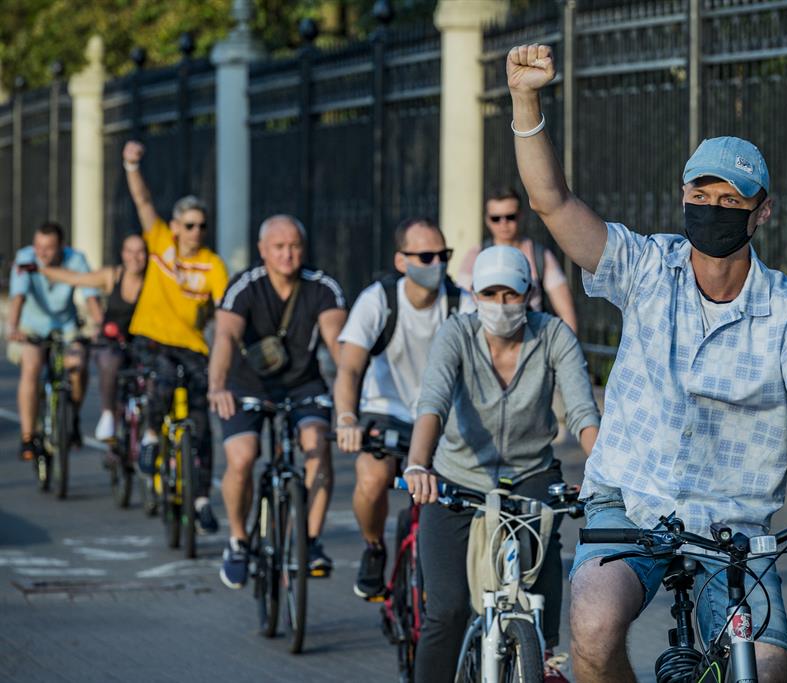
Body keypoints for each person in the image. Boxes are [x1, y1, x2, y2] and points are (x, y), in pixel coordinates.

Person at [503, 44, 787, 683]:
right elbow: (553, 204)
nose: (711, 206)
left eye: (730, 198)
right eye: (699, 191)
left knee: (764, 669)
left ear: (762, 211)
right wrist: (525, 101)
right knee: (593, 626)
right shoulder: (647, 267)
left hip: (732, 524)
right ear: (683, 194)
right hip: (630, 498)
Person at [404, 245, 601, 683]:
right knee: (448, 607)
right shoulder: (455, 334)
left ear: (529, 294)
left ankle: (543, 654)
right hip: (456, 479)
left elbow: (583, 413)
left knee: (544, 554)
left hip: (531, 472)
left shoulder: (552, 336)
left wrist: (604, 476)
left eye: (510, 294)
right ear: (473, 295)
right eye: (488, 294)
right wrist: (419, 465)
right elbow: (432, 404)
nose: (500, 304)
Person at [334, 217, 472, 599]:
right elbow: (348, 368)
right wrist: (346, 419)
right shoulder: (378, 300)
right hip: (386, 410)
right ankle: (374, 545)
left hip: (443, 418)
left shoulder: (462, 302)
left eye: (443, 256)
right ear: (401, 262)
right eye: (425, 257)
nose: (437, 265)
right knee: (372, 479)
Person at [208, 215, 347, 588]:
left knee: (316, 446)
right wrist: (218, 385)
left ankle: (310, 543)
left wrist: (349, 399)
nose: (288, 255)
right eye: (279, 247)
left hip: (303, 384)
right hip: (246, 384)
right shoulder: (244, 286)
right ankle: (238, 541)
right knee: (242, 457)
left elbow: (337, 344)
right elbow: (224, 337)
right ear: (262, 251)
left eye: (295, 246)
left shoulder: (322, 287)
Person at [122, 139, 229, 535]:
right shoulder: (161, 242)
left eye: (201, 225)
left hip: (193, 346)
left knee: (201, 421)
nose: (195, 231)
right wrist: (131, 165)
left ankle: (200, 499)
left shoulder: (212, 263)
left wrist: (228, 351)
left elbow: (225, 309)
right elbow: (143, 202)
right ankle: (150, 437)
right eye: (189, 225)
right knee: (162, 381)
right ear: (176, 226)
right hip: (152, 338)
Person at [34, 234, 147, 442]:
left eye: (140, 252)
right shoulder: (112, 276)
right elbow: (77, 279)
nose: (135, 257)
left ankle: (151, 432)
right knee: (109, 362)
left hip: (141, 341)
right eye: (130, 251)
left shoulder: (153, 280)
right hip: (112, 341)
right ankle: (108, 415)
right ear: (122, 254)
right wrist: (43, 270)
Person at [7, 222, 103, 460]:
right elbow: (18, 297)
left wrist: (99, 325)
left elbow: (91, 295)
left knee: (77, 365)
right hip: (32, 326)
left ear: (62, 246)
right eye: (38, 246)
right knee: (32, 366)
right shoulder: (25, 259)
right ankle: (28, 437)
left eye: (48, 248)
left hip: (66, 327)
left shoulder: (75, 259)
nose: (42, 253)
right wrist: (13, 327)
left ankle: (72, 417)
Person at [457, 187, 578, 331]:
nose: (503, 224)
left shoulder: (540, 256)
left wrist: (565, 349)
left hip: (533, 339)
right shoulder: (474, 256)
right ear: (487, 220)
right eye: (495, 218)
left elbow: (566, 313)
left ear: (521, 216)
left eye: (510, 217)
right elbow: (465, 312)